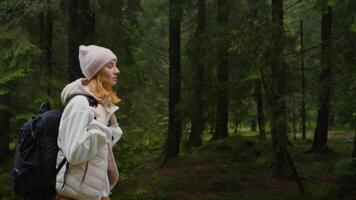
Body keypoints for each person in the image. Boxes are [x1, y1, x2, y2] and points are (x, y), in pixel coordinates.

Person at [55, 45, 123, 200]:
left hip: (96, 194)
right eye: (110, 66)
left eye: (116, 65)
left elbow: (97, 152)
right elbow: (75, 154)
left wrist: (112, 126)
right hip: (74, 196)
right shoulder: (79, 104)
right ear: (97, 71)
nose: (117, 70)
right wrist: (100, 123)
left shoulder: (97, 104)